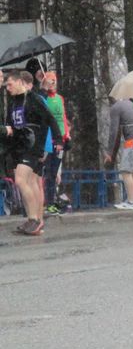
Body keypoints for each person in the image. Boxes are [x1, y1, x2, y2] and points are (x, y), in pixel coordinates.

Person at [2, 70, 56, 235]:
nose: (7, 88)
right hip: (21, 146)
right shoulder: (13, 102)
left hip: (34, 146)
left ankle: (35, 219)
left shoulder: (33, 99)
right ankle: (34, 220)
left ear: (20, 82)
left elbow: (49, 120)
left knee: (23, 181)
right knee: (30, 182)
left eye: (9, 84)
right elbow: (15, 125)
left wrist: (56, 142)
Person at [39, 71, 70, 215]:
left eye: (54, 81)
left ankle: (54, 201)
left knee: (55, 173)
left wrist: (66, 135)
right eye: (50, 81)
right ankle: (48, 202)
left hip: (60, 139)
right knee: (49, 174)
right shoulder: (42, 97)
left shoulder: (60, 98)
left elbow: (62, 117)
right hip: (49, 139)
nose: (53, 83)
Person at [105, 94, 133, 209]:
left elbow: (114, 131)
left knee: (125, 171)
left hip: (131, 141)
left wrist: (110, 152)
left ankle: (130, 201)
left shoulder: (116, 107)